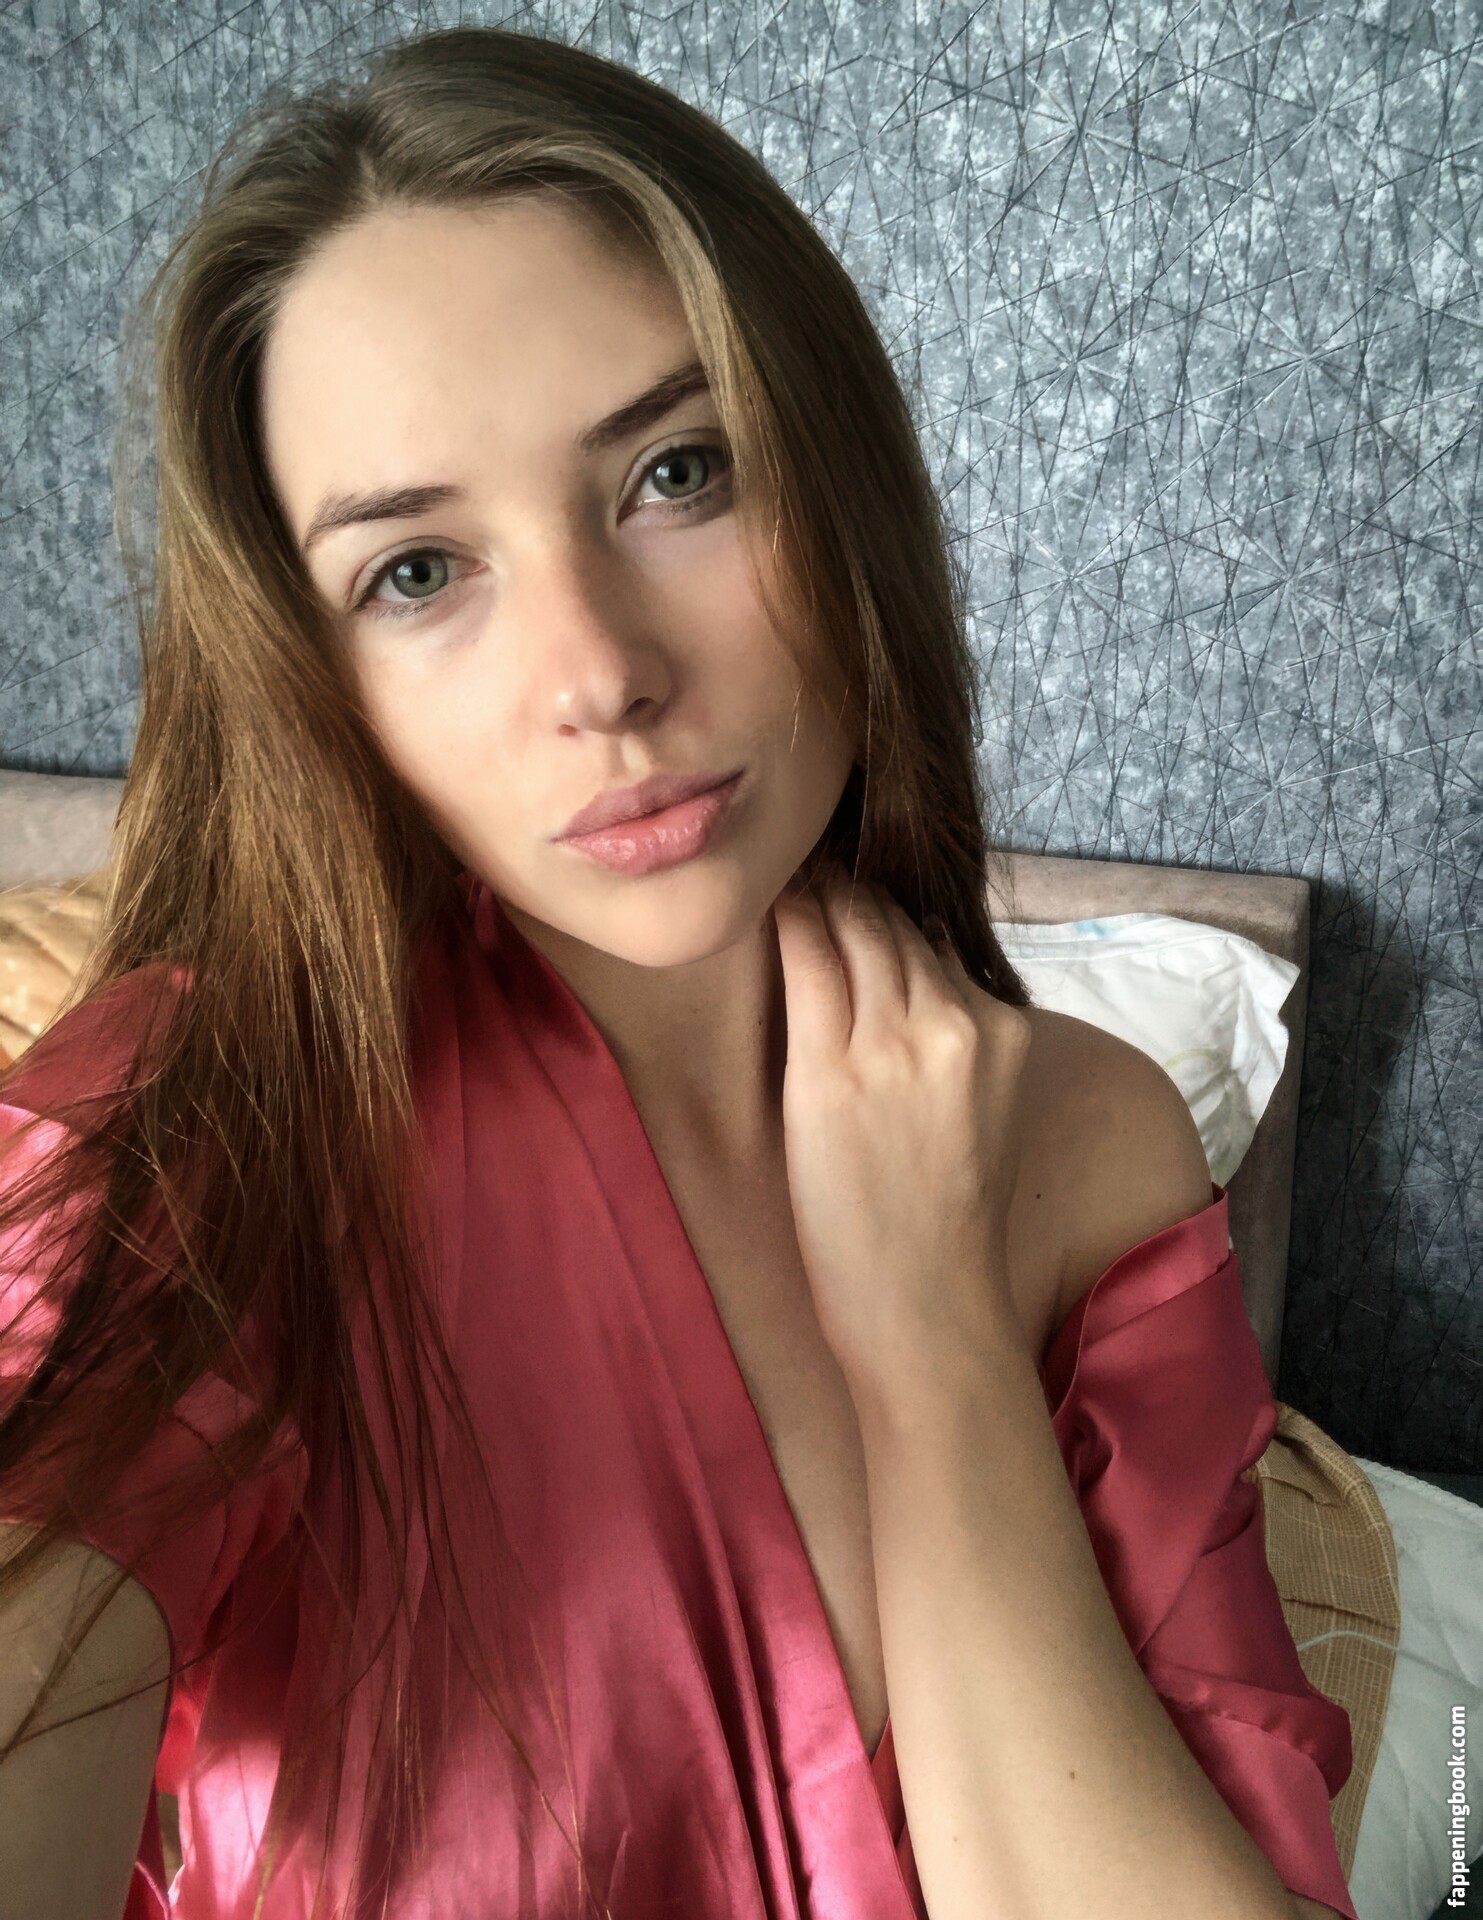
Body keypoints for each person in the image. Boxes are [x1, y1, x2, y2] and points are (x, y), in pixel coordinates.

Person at [0, 24, 1357, 1920]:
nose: (601, 675)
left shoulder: (1087, 1137)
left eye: (678, 471)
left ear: (838, 472)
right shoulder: (203, 1130)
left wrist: (936, 1352)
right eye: (417, 572)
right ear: (318, 679)